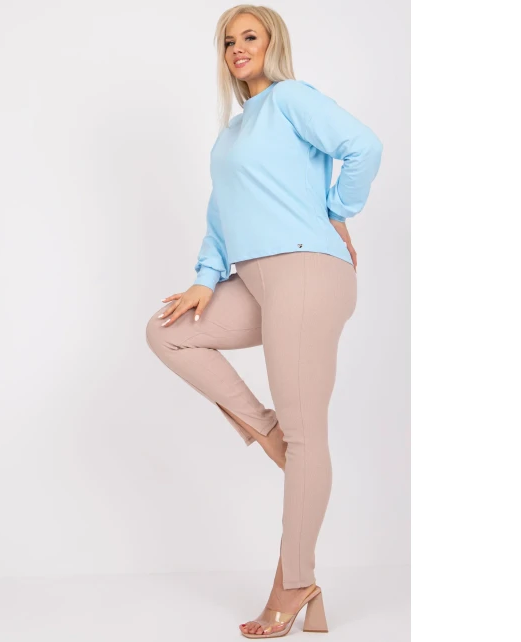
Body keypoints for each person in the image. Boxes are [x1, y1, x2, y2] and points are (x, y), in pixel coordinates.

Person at [145, 4, 382, 638]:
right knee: (167, 332)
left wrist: (336, 209)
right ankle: (276, 435)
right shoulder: (230, 134)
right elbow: (221, 212)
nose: (237, 48)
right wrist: (205, 277)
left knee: (309, 436)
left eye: (249, 36)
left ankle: (294, 581)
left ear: (272, 42)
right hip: (252, 279)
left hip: (306, 270)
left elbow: (364, 146)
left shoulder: (290, 99)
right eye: (228, 41)